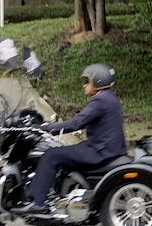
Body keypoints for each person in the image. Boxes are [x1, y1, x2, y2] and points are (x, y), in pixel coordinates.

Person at [14, 63, 127, 214]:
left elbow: (77, 123)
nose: (84, 85)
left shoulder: (100, 100)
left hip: (99, 151)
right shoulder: (109, 98)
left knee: (51, 155)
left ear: (98, 80)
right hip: (108, 149)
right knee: (60, 152)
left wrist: (46, 129)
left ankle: (38, 202)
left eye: (86, 81)